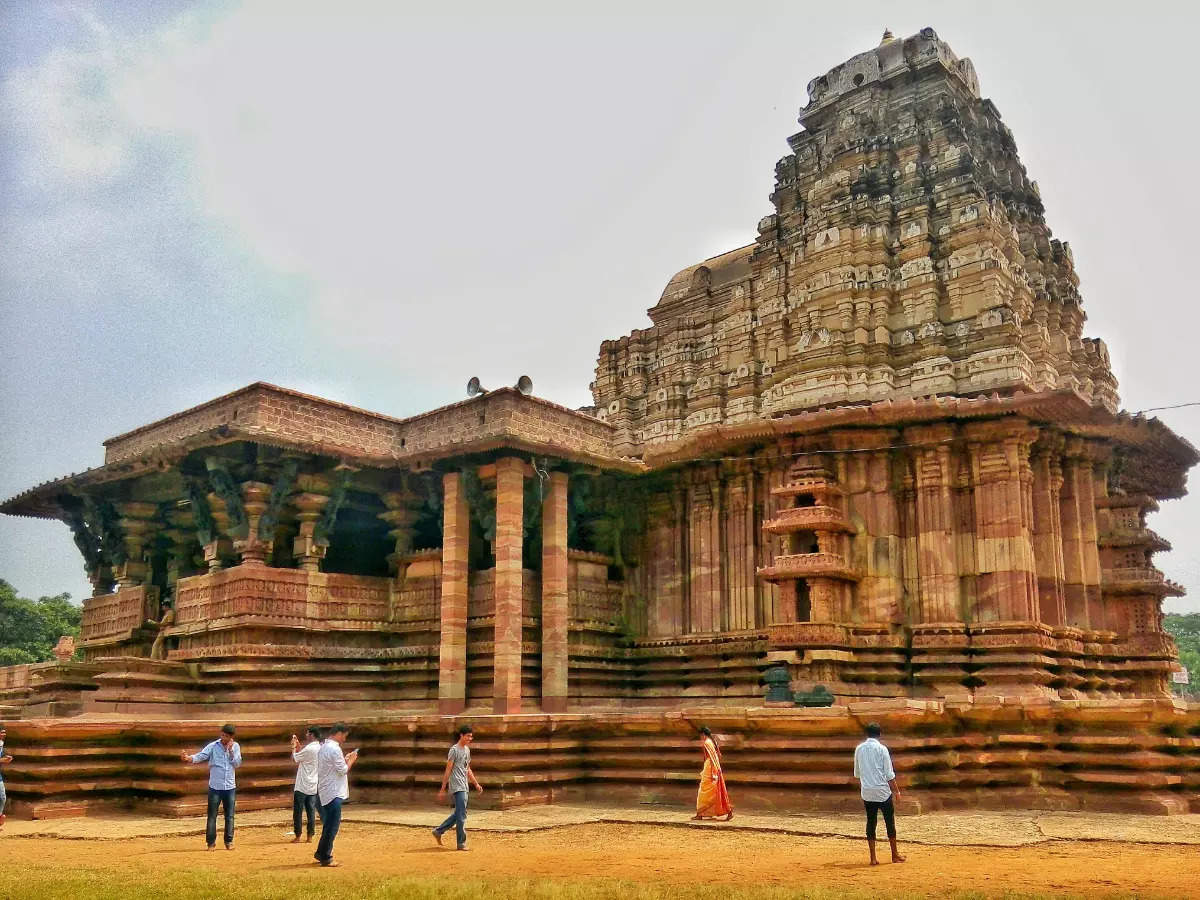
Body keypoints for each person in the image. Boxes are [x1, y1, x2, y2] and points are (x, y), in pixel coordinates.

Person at [181, 723, 242, 850]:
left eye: (226, 736)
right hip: (215, 787)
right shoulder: (214, 746)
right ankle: (211, 843)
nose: (223, 737)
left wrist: (230, 751)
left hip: (229, 787)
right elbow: (201, 755)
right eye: (222, 735)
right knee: (212, 815)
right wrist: (189, 758)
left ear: (231, 737)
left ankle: (229, 842)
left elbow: (237, 763)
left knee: (229, 815)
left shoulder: (235, 747)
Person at [853, 722, 905, 865]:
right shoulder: (882, 749)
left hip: (867, 792)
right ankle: (894, 855)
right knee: (890, 822)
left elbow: (857, 773)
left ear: (866, 734)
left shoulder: (859, 749)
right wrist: (897, 791)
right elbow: (889, 774)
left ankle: (873, 858)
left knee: (871, 822)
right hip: (882, 791)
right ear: (880, 734)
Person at [314, 722, 358, 867]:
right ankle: (325, 856)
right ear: (339, 733)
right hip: (333, 793)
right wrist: (350, 761)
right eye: (344, 736)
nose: (344, 739)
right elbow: (342, 770)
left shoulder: (324, 747)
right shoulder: (334, 749)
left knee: (329, 825)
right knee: (332, 826)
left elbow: (333, 767)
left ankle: (321, 852)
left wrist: (344, 760)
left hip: (326, 791)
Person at [432, 725, 483, 850]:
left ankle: (438, 831)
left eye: (471, 736)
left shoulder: (467, 750)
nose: (470, 738)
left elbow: (467, 769)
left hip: (464, 785)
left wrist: (476, 783)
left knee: (460, 813)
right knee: (461, 815)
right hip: (457, 785)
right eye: (468, 736)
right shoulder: (454, 750)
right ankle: (461, 843)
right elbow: (448, 769)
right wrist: (443, 788)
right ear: (461, 735)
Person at [692, 726, 733, 821]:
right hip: (714, 768)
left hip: (710, 769)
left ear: (702, 734)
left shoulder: (706, 743)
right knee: (718, 792)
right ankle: (728, 811)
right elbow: (717, 756)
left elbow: (710, 758)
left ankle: (700, 814)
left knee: (703, 792)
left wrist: (712, 773)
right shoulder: (712, 742)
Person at [290, 726, 322, 843]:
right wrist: (299, 748)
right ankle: (310, 836)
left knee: (298, 812)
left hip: (302, 784)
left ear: (312, 735)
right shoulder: (320, 748)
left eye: (308, 734)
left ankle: (298, 836)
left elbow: (294, 759)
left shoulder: (310, 748)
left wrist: (293, 747)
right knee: (311, 811)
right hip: (313, 783)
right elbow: (304, 757)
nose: (306, 735)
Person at [0, 724, 10, 830]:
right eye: (2, 732)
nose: (4, 734)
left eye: (4, 732)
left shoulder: (1, 743)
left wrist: (5, 757)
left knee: (2, 798)